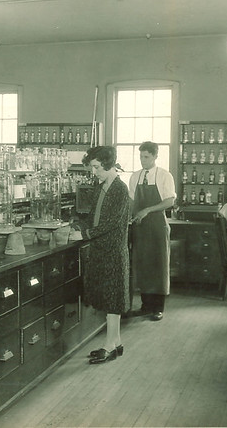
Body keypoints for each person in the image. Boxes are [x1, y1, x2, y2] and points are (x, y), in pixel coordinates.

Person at [76, 146, 132, 364]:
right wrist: (79, 227)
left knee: (112, 299)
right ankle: (116, 343)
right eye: (92, 167)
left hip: (113, 250)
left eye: (97, 167)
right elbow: (93, 216)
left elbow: (113, 223)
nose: (95, 172)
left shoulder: (119, 189)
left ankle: (109, 345)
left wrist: (85, 234)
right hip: (100, 248)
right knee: (109, 297)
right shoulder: (101, 187)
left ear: (109, 165)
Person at [127, 141, 176, 321]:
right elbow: (132, 201)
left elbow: (170, 201)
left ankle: (158, 308)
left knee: (158, 265)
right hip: (140, 227)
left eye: (146, 157)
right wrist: (129, 215)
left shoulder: (164, 176)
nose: (143, 160)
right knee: (143, 265)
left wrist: (147, 210)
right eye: (141, 156)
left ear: (155, 156)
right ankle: (145, 306)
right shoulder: (135, 177)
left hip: (157, 226)